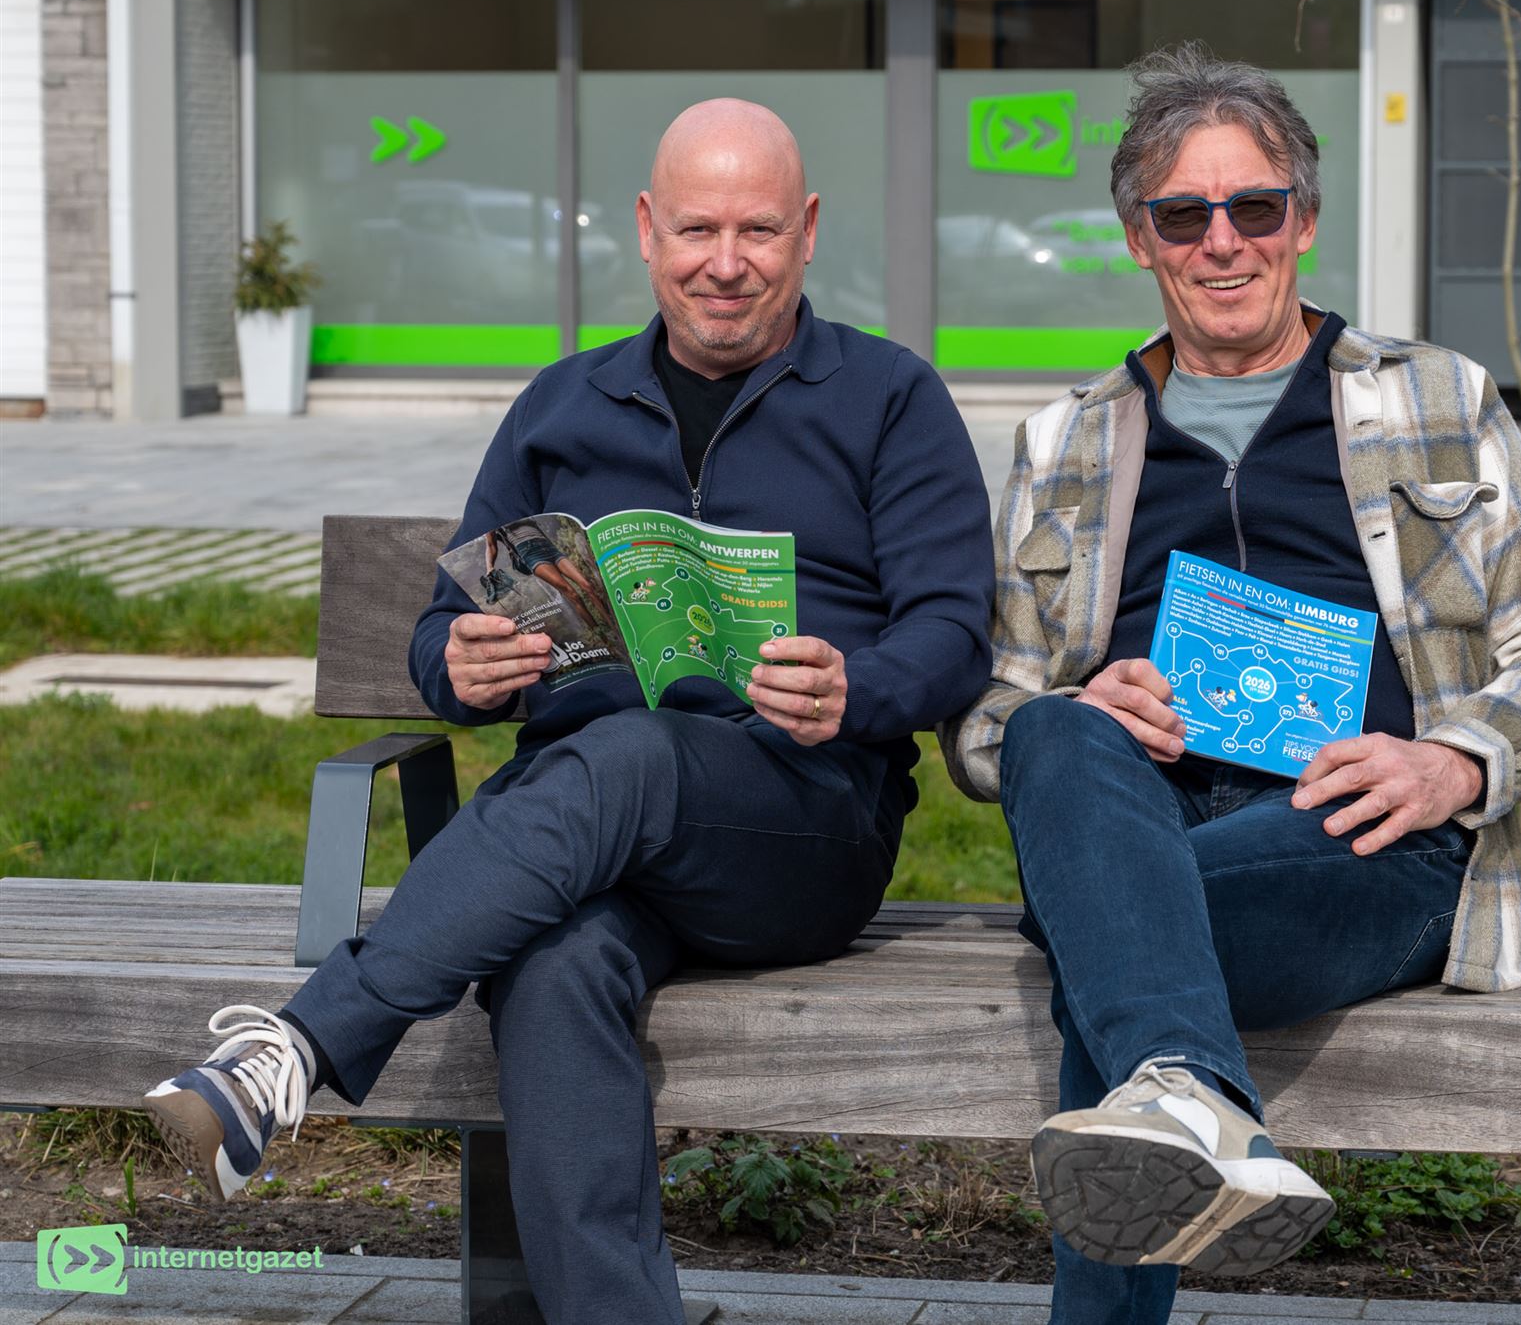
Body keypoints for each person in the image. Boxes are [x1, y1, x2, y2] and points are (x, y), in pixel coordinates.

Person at [145, 99, 995, 1325]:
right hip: (584, 839)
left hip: (798, 826)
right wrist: (466, 666)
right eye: (696, 229)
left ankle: (299, 1049)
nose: (725, 262)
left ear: (807, 230)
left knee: (632, 752)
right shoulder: (562, 404)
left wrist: (857, 687)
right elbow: (441, 629)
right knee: (548, 965)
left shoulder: (888, 397)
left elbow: (953, 636)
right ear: (646, 230)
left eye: (757, 230)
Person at [941, 43, 1521, 1325]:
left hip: (1360, 841)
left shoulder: (1437, 399)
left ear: (1301, 219)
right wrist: (1075, 705)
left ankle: (1166, 1083)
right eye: (1181, 215)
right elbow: (984, 719)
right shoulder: (1064, 440)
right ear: (1137, 239)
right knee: (1053, 737)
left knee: (1111, 945)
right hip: (1132, 814)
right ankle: (1192, 1098)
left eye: (1253, 207)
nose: (1222, 242)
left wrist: (1450, 762)